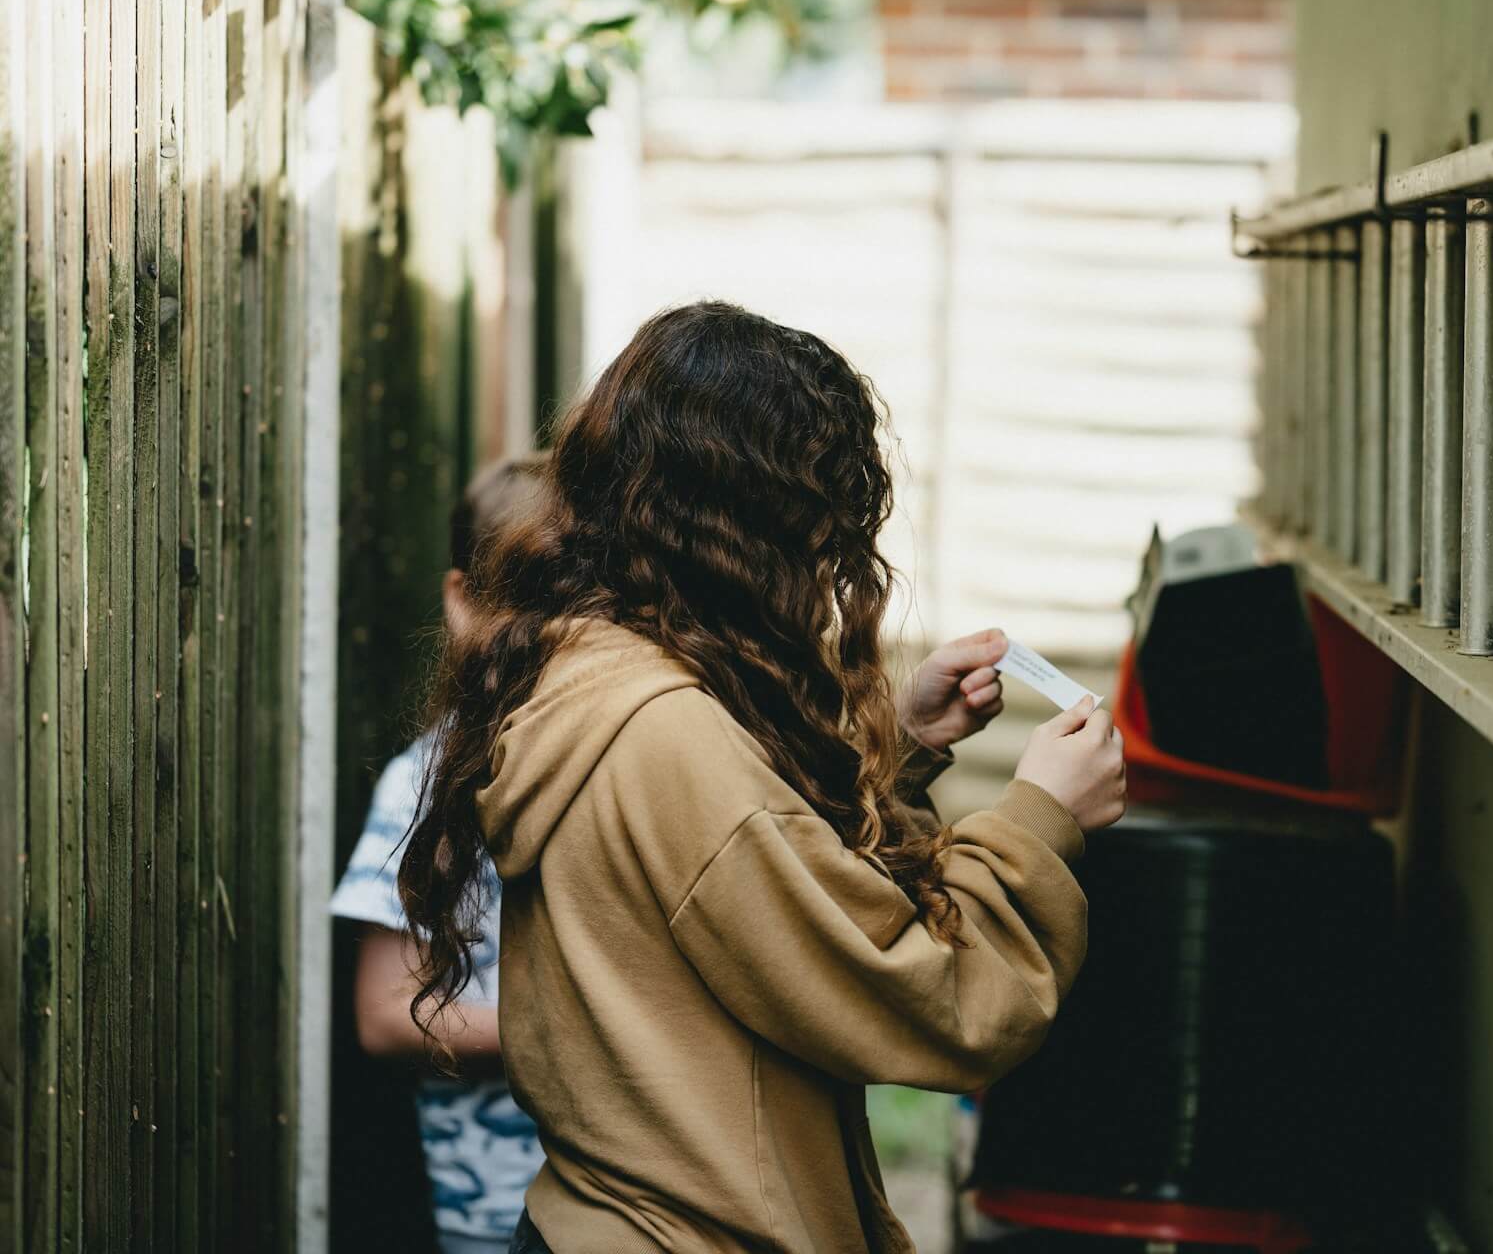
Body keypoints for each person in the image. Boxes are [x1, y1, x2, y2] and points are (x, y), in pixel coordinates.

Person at [399, 300, 1127, 1254]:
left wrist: (908, 748)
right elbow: (933, 998)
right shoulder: (669, 737)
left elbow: (762, 894)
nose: (828, 567)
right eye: (820, 527)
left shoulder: (592, 673)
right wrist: (1042, 816)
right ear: (752, 529)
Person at [330, 455, 551, 1253]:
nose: (551, 630)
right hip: (493, 1208)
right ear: (462, 602)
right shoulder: (425, 787)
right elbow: (386, 1015)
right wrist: (563, 1038)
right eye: (527, 597)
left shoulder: (620, 769)